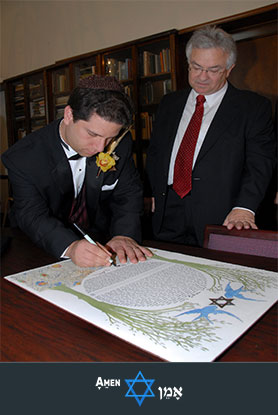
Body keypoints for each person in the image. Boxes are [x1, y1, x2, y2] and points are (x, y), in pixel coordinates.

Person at [2, 75, 152, 267]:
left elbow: (128, 193)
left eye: (109, 138)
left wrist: (123, 234)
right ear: (69, 115)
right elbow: (31, 214)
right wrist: (70, 247)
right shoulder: (23, 158)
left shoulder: (119, 143)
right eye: (92, 134)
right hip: (38, 246)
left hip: (100, 243)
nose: (100, 148)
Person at [146, 25, 276, 247]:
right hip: (169, 208)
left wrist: (244, 207)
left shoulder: (253, 107)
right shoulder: (170, 103)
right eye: (196, 67)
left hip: (224, 213)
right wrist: (154, 192)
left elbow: (260, 162)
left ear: (229, 68)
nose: (202, 77)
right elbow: (156, 152)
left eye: (213, 69)